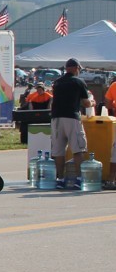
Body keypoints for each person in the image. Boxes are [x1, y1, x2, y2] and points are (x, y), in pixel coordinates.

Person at [49, 57, 93, 189]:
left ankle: (60, 179)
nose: (79, 71)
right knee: (78, 149)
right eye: (79, 69)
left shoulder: (57, 82)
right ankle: (79, 179)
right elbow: (86, 102)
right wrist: (92, 102)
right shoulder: (78, 82)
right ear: (75, 68)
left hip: (56, 118)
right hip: (72, 117)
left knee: (58, 151)